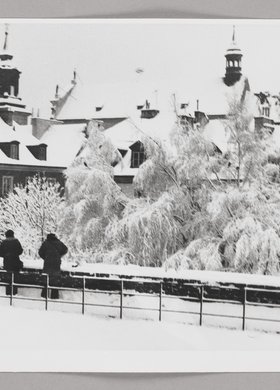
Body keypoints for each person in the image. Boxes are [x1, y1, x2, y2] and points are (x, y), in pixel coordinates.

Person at [38, 233, 68, 299]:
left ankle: (44, 296)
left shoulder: (46, 243)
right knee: (55, 279)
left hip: (47, 263)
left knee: (46, 279)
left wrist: (45, 257)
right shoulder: (59, 243)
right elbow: (65, 249)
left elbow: (40, 252)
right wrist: (59, 256)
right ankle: (54, 297)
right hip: (56, 263)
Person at [0, 230, 23, 296]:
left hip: (7, 262)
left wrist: (6, 255)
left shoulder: (4, 242)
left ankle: (8, 293)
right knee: (15, 278)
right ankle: (14, 293)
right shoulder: (16, 241)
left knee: (8, 278)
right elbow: (20, 251)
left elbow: (0, 252)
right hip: (15, 262)